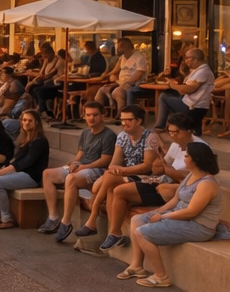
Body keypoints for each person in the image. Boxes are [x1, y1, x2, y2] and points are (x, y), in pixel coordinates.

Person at [123, 141, 224, 287]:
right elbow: (176, 199)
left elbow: (191, 212)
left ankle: (161, 277)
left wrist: (163, 216)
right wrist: (158, 211)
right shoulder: (191, 175)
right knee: (137, 219)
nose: (184, 158)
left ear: (196, 160)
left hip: (198, 226)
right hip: (180, 216)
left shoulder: (207, 184)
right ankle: (137, 266)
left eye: (187, 156)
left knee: (141, 233)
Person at [100, 111, 199, 251]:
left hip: (174, 189)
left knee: (119, 191)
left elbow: (192, 177)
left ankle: (112, 231)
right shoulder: (177, 144)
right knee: (112, 187)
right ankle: (113, 233)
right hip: (162, 181)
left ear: (189, 131)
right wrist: (159, 162)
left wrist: (164, 169)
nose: (172, 136)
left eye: (176, 132)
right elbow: (162, 166)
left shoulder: (198, 148)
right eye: (170, 132)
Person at [76, 105, 161, 240]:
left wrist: (123, 170)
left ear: (139, 121)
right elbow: (113, 164)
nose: (124, 123)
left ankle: (93, 218)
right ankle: (113, 233)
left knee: (106, 181)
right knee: (108, 184)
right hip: (125, 175)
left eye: (128, 120)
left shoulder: (150, 137)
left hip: (146, 178)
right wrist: (117, 170)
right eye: (122, 120)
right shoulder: (122, 136)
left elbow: (147, 166)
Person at [41, 101, 118, 240]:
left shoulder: (109, 135)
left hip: (97, 170)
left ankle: (65, 222)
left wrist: (84, 167)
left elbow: (105, 160)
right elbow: (81, 153)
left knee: (71, 179)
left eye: (95, 115)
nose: (91, 118)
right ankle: (53, 217)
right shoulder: (85, 133)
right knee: (47, 174)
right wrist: (74, 163)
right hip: (81, 167)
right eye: (88, 115)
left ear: (102, 116)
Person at [0, 109, 50, 227]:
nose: (26, 123)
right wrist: (1, 168)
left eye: (30, 121)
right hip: (17, 172)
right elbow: (16, 160)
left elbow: (26, 162)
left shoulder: (39, 141)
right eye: (24, 120)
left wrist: (1, 173)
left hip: (30, 176)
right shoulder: (25, 139)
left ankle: (6, 218)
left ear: (36, 123)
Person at [152, 47, 215, 133]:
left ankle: (160, 126)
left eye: (187, 58)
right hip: (190, 103)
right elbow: (184, 88)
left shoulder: (203, 71)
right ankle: (170, 126)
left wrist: (173, 85)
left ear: (195, 59)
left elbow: (190, 89)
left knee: (163, 97)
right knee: (168, 95)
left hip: (193, 106)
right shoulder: (197, 70)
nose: (185, 61)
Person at [93, 38, 149, 112]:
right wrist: (106, 75)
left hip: (134, 85)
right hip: (120, 83)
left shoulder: (139, 58)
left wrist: (127, 82)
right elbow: (115, 70)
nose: (117, 49)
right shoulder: (122, 58)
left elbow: (139, 74)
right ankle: (97, 113)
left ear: (125, 46)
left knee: (117, 92)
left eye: (119, 47)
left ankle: (121, 114)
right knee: (101, 92)